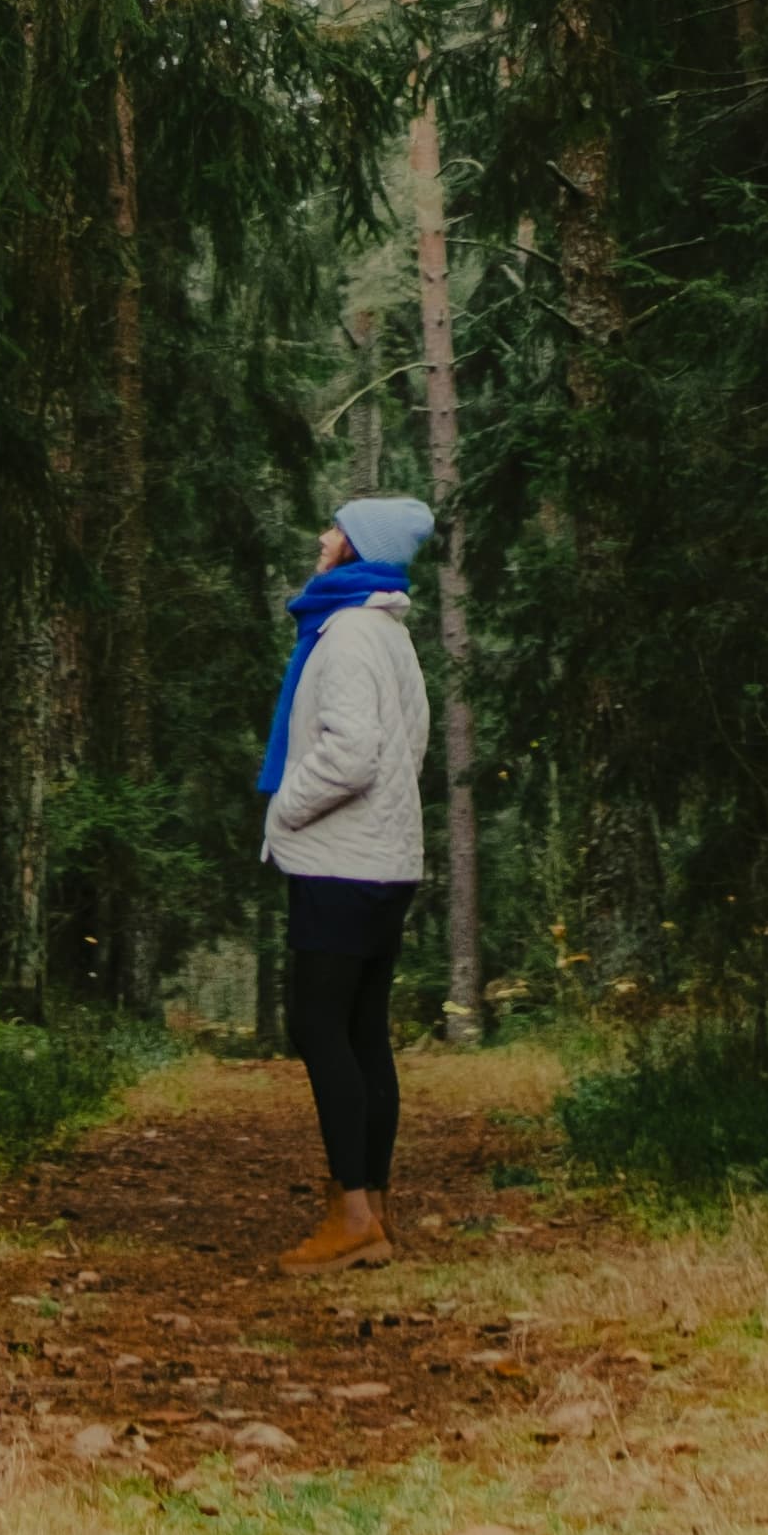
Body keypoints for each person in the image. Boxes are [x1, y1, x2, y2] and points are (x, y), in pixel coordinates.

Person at [255, 492, 434, 1270]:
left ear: (359, 546)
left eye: (336, 527)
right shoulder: (388, 630)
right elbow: (410, 746)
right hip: (385, 860)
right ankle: (373, 1213)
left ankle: (352, 1216)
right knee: (362, 1032)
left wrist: (287, 805)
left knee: (320, 1027)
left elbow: (354, 752)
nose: (324, 536)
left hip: (341, 863)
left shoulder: (352, 631)